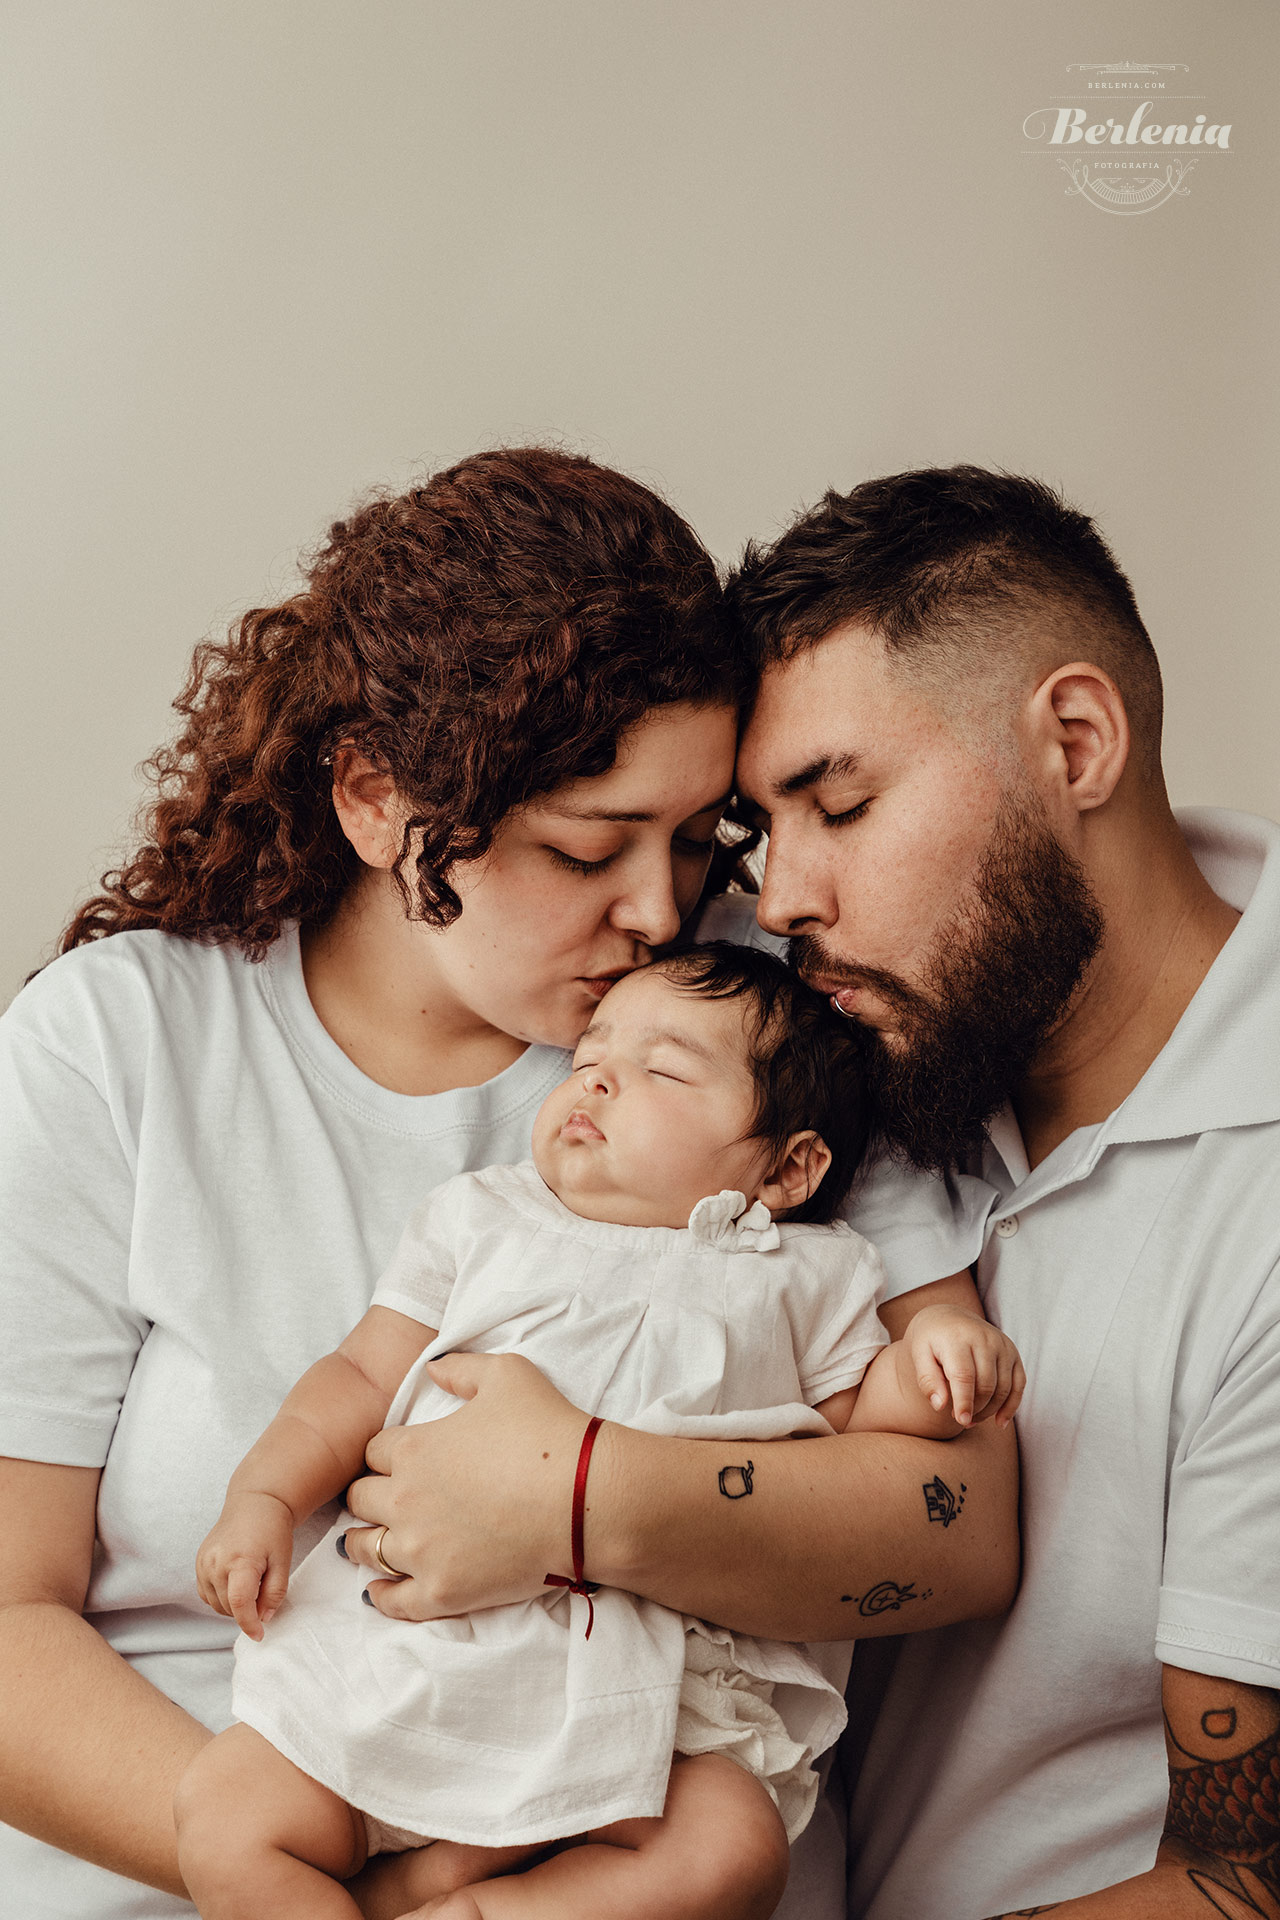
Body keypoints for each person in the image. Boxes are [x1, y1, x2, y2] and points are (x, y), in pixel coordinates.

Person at [0, 446, 1016, 1920]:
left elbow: (960, 1525)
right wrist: (350, 1863)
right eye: (587, 847)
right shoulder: (122, 1044)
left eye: (689, 838)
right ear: (374, 800)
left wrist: (583, 1494)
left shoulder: (749, 1032)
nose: (662, 910)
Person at [347, 461, 1279, 1920]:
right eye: (761, 833)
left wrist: (577, 1490)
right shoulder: (869, 1052)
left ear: (1077, 742)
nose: (774, 899)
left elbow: (1251, 1880)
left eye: (838, 805)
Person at [175, 946, 1025, 1920]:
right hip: (421, 1653)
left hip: (654, 1695)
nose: (598, 1078)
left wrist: (941, 1357)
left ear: (787, 1167)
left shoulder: (806, 1276)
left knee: (732, 1849)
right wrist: (265, 1496)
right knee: (225, 1809)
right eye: (587, 1055)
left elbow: (861, 1418)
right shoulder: (482, 1218)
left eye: (661, 1070)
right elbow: (360, 1375)